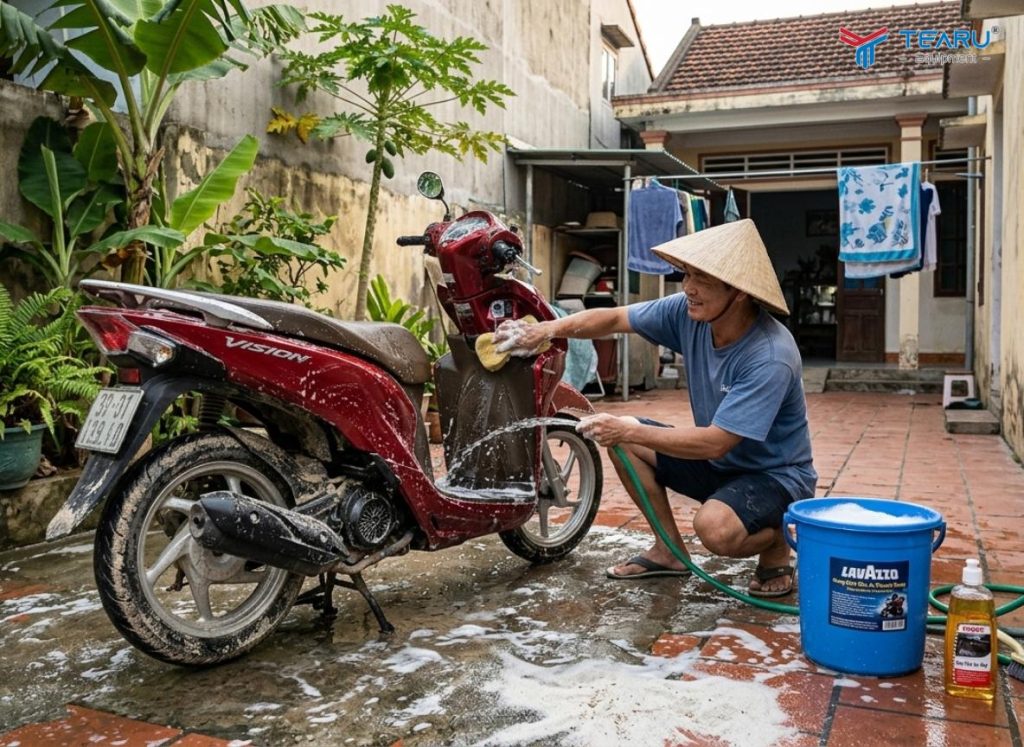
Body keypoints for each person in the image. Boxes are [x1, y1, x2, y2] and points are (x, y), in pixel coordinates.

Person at [494, 219, 816, 597]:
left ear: (739, 292)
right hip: (721, 467)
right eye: (687, 275)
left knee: (715, 529)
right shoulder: (688, 312)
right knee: (626, 443)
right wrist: (545, 330)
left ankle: (777, 542)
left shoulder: (769, 355)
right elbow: (614, 317)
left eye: (703, 280)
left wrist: (627, 428)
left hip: (775, 476)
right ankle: (670, 551)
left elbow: (716, 442)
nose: (689, 289)